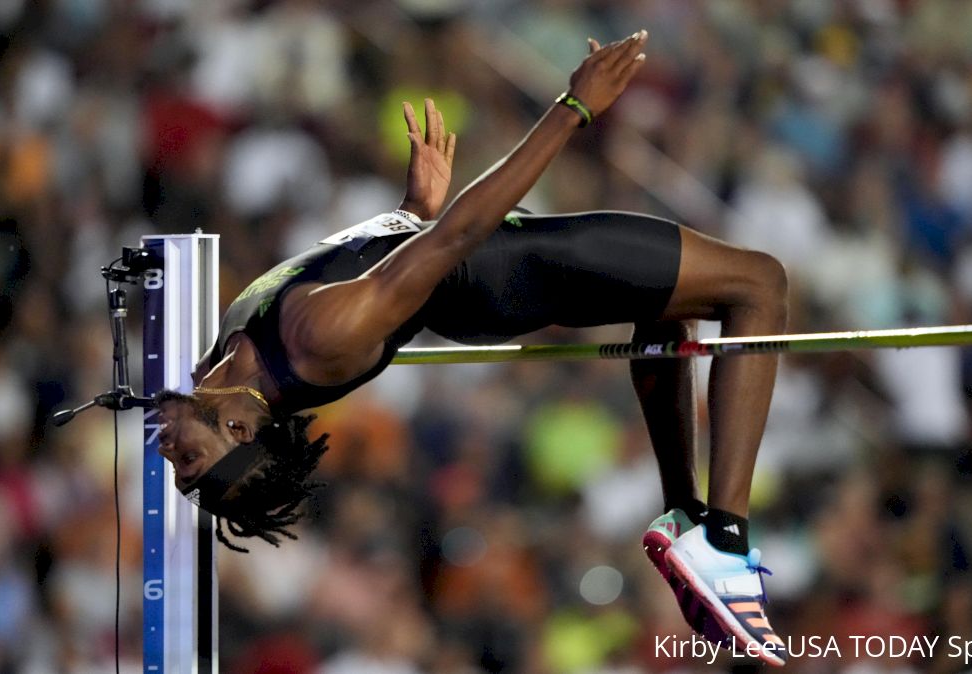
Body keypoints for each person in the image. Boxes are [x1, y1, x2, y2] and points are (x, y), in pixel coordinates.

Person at [155, 32, 789, 666]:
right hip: (514, 269)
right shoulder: (316, 340)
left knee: (669, 308)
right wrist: (575, 105)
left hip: (485, 273)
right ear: (239, 428)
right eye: (190, 461)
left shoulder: (230, 350)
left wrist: (409, 212)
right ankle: (725, 542)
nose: (167, 452)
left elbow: (357, 262)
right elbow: (460, 233)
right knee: (758, 283)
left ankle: (683, 515)